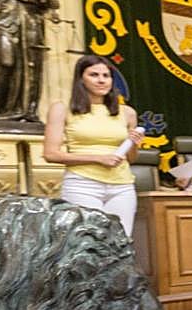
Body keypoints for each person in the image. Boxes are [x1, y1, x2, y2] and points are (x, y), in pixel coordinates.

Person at [43, 54, 144, 237]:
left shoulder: (127, 112)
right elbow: (51, 154)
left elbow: (131, 158)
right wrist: (98, 158)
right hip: (82, 184)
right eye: (94, 75)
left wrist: (134, 144)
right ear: (81, 78)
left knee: (120, 241)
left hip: (122, 186)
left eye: (106, 76)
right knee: (87, 243)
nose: (101, 80)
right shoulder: (62, 108)